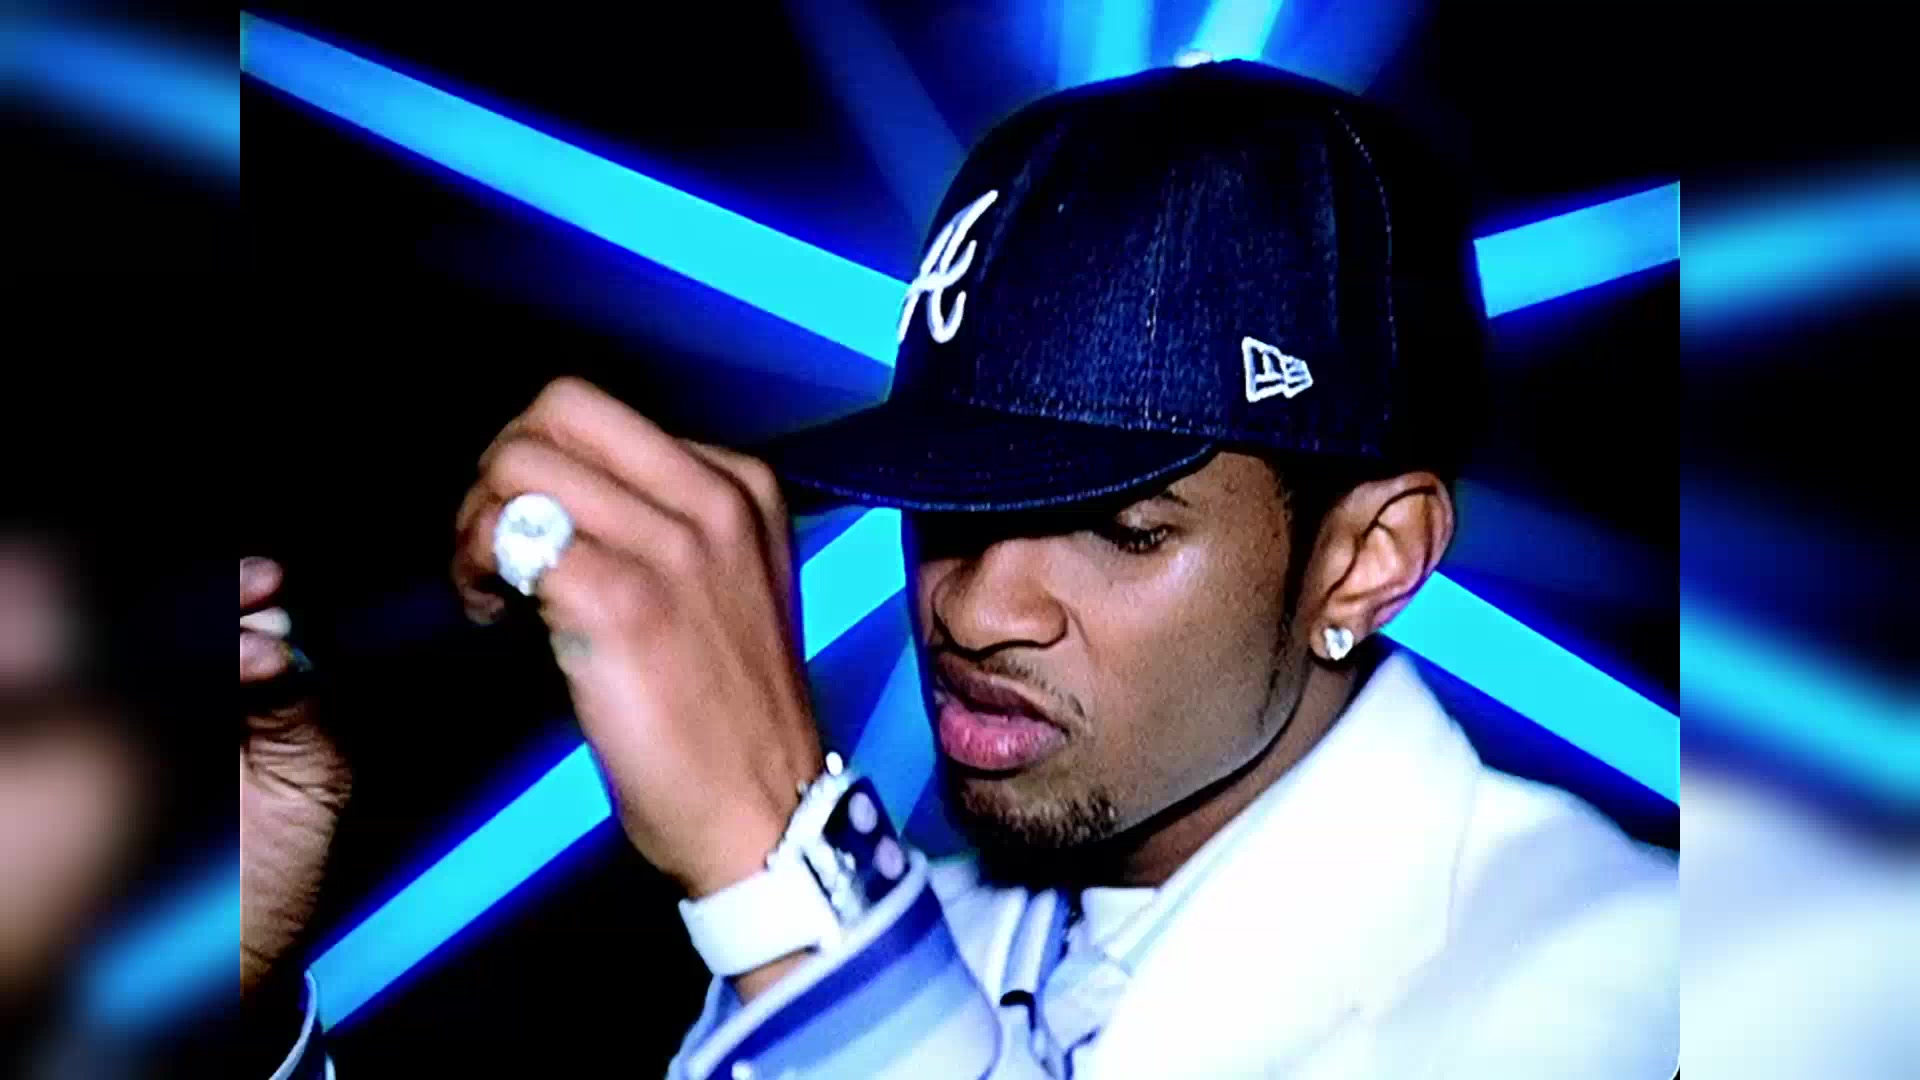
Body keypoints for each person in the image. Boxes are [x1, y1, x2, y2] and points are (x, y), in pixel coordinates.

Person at [242, 61, 1677, 1078]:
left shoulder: (1643, 981)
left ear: (1365, 560)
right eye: (948, 503)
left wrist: (777, 869)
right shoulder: (939, 936)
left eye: (1124, 529)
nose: (977, 609)